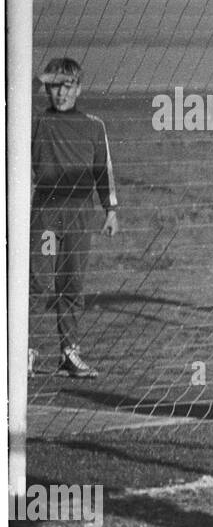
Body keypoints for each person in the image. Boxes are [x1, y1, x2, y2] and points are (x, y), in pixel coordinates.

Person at [30, 57, 119, 379]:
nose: (61, 94)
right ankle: (23, 353)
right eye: (54, 87)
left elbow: (102, 170)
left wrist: (110, 210)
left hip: (80, 215)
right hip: (47, 215)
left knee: (71, 284)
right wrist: (42, 77)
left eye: (67, 87)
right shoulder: (36, 122)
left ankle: (69, 353)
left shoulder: (94, 126)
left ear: (79, 89)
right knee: (38, 282)